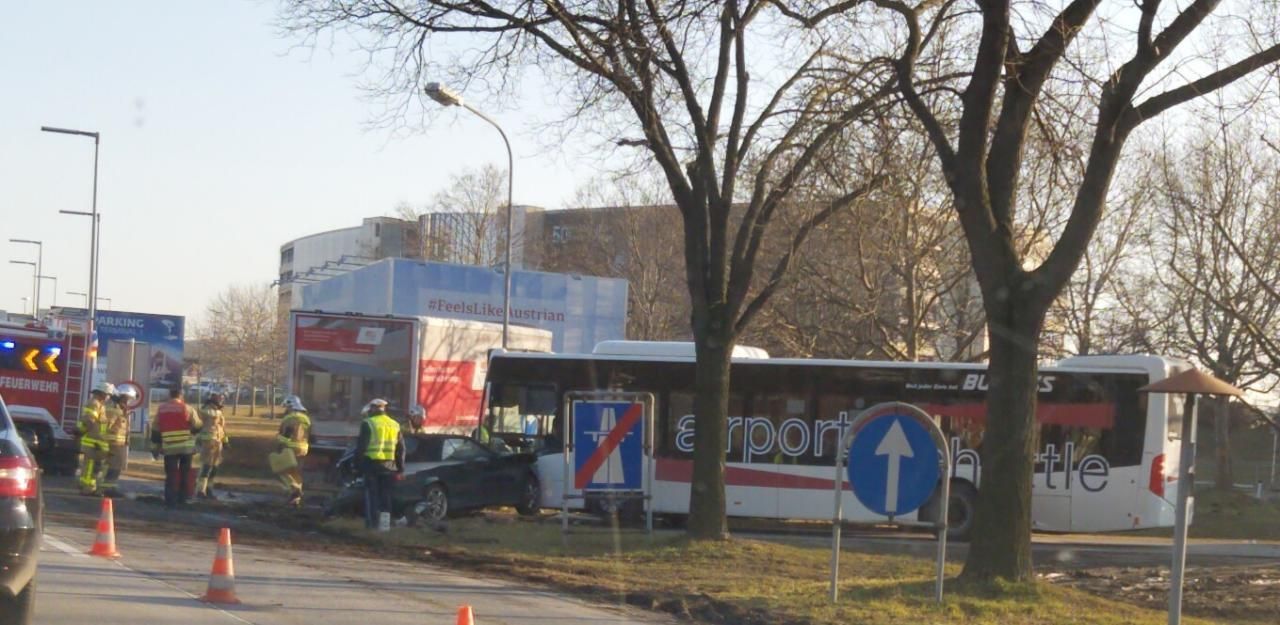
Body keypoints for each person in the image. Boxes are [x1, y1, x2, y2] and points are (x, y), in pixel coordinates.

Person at [151, 386, 203, 509]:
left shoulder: (162, 409)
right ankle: (182, 499)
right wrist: (192, 432)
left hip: (169, 447)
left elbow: (155, 429)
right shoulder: (187, 408)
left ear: (170, 395)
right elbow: (198, 425)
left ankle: (170, 500)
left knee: (171, 475)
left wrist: (155, 447)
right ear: (181, 395)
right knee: (184, 473)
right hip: (186, 447)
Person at [356, 398, 405, 529]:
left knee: (372, 496)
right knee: (386, 496)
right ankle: (384, 526)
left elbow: (361, 447)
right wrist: (400, 468)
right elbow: (401, 449)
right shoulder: (395, 424)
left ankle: (372, 525)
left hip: (372, 465)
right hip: (389, 466)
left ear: (372, 408)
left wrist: (357, 465)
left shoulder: (368, 423)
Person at [77, 382, 114, 495]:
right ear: (103, 393)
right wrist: (96, 441)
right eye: (108, 394)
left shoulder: (99, 404)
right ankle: (87, 488)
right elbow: (90, 421)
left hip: (96, 441)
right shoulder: (94, 404)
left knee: (92, 466)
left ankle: (87, 487)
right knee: (90, 467)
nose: (109, 397)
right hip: (92, 442)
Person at [274, 395, 312, 506]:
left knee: (282, 470)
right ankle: (296, 499)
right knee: (296, 473)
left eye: (287, 407)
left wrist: (279, 444)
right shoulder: (306, 419)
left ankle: (294, 489)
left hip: (290, 447)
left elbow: (284, 434)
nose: (286, 409)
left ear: (291, 406)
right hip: (303, 449)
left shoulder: (288, 419)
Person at [100, 385, 137, 497]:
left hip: (117, 442)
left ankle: (109, 487)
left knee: (115, 466)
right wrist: (104, 440)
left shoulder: (119, 408)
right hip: (113, 442)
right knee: (114, 466)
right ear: (122, 396)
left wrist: (126, 439)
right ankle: (108, 489)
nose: (128, 402)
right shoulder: (114, 408)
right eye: (127, 399)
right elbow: (106, 425)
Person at [195, 393, 229, 499]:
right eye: (220, 399)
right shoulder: (205, 411)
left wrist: (225, 441)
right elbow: (197, 425)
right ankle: (201, 490)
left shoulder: (219, 412)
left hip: (218, 442)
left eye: (222, 399)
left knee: (214, 467)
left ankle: (209, 489)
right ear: (214, 399)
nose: (222, 401)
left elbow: (222, 428)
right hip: (208, 442)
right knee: (206, 466)